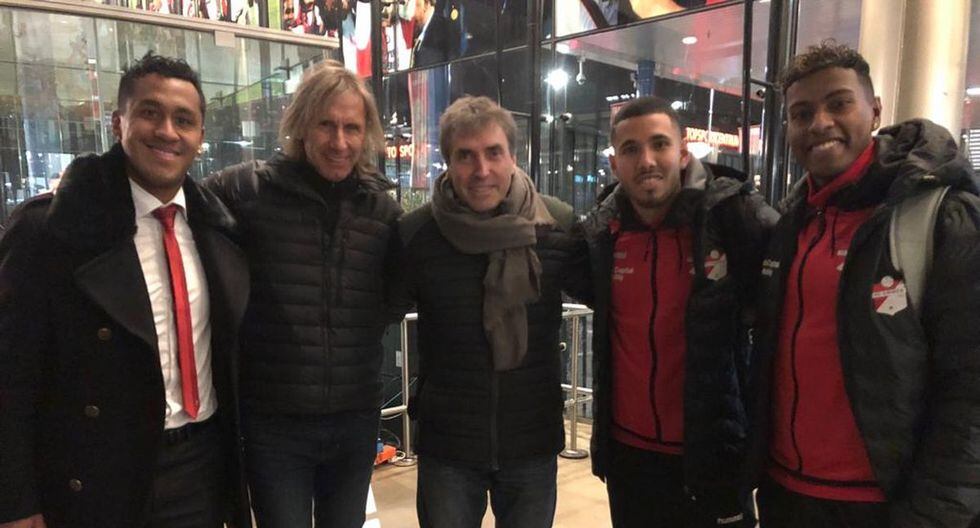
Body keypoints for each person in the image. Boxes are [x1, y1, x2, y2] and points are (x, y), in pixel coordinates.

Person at [0, 53, 251, 528]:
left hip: (200, 466)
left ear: (200, 136)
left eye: (184, 120)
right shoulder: (49, 232)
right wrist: (14, 501)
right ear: (119, 123)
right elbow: (11, 377)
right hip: (101, 472)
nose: (167, 132)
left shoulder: (220, 230)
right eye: (150, 113)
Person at [746, 41, 980, 527]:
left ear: (875, 111)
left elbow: (970, 387)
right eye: (801, 113)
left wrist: (933, 515)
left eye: (839, 103)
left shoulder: (940, 218)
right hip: (785, 493)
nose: (819, 123)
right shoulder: (790, 225)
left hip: (885, 506)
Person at [203, 59, 401, 528]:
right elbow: (172, 205)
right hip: (276, 424)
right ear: (301, 125)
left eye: (352, 128)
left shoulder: (382, 210)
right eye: (326, 125)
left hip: (355, 418)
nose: (339, 142)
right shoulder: (248, 191)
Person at [391, 95, 588, 528]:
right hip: (449, 446)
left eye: (493, 152)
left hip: (531, 441)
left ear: (513, 156)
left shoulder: (555, 225)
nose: (481, 170)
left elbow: (611, 295)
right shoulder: (417, 235)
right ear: (448, 163)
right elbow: (374, 308)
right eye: (465, 155)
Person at [579, 96, 776, 527]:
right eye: (631, 149)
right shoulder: (602, 236)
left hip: (712, 456)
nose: (646, 161)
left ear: (683, 152)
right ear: (615, 164)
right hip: (629, 459)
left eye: (659, 144)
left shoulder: (732, 218)